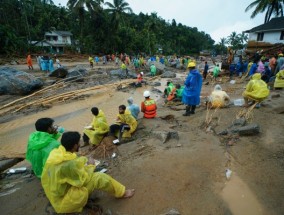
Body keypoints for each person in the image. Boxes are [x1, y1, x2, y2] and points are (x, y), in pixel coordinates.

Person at [41, 131, 135, 214]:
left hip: (55, 196)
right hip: (64, 202)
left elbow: (72, 165)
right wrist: (91, 165)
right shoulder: (68, 165)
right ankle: (122, 193)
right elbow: (83, 181)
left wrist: (83, 162)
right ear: (74, 145)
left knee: (86, 170)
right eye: (78, 143)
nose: (79, 144)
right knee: (99, 177)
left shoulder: (56, 154)